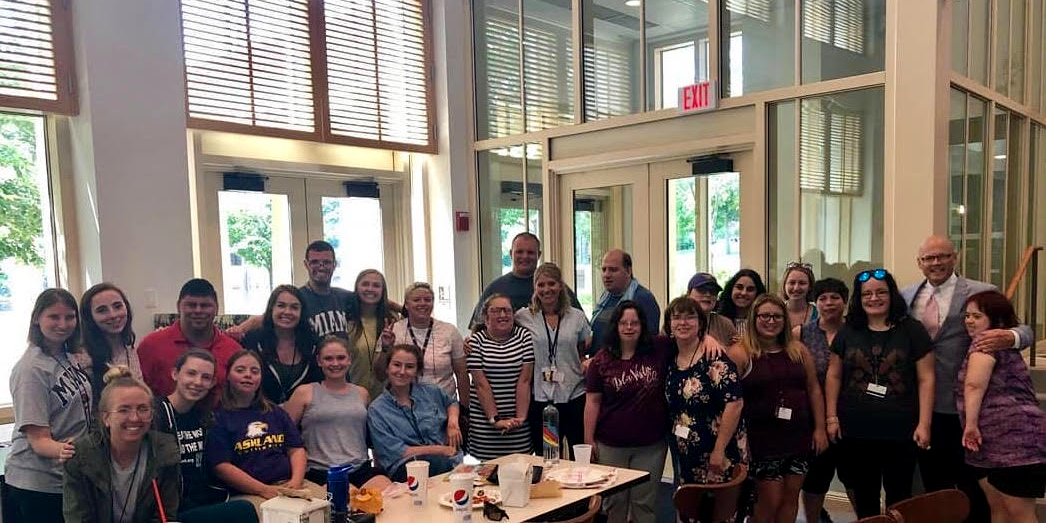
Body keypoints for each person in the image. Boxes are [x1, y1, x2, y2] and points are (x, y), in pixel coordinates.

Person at [901, 235, 1033, 521]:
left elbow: (1025, 330)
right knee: (934, 485)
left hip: (969, 408)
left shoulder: (982, 291)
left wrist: (1009, 336)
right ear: (919, 263)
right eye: (929, 258)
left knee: (975, 486)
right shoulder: (906, 296)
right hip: (922, 406)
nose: (936, 263)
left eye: (942, 256)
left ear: (955, 257)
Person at [826, 269, 934, 518]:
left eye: (881, 292)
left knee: (899, 496)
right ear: (859, 298)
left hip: (902, 430)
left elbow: (927, 378)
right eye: (867, 294)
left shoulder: (912, 330)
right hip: (856, 430)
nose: (874, 298)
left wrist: (925, 424)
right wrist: (831, 417)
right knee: (865, 496)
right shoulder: (848, 330)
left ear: (892, 295)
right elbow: (834, 375)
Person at [957, 291, 1046, 523]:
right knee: (997, 508)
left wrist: (971, 425)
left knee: (1020, 513)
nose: (969, 320)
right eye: (967, 315)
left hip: (1015, 443)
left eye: (977, 316)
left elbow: (974, 385)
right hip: (989, 443)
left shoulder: (986, 342)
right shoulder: (989, 341)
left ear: (997, 320)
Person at [6, 289, 91, 523]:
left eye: (70, 317)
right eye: (54, 317)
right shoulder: (30, 370)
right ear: (37, 318)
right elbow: (38, 440)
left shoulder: (67, 356)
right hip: (37, 484)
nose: (63, 324)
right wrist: (69, 450)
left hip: (68, 477)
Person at [741, 294, 827, 523]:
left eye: (777, 316)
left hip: (798, 437)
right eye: (765, 316)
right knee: (769, 502)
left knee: (790, 499)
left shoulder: (798, 350)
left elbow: (814, 390)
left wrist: (820, 429)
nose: (771, 321)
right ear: (754, 319)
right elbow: (730, 400)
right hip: (761, 441)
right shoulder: (741, 353)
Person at [584, 301, 671, 523]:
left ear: (642, 326)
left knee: (645, 504)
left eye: (634, 323)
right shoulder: (601, 361)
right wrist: (589, 438)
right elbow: (592, 402)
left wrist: (708, 338)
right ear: (616, 326)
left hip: (651, 445)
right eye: (624, 323)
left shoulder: (658, 349)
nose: (629, 327)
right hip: (611, 445)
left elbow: (687, 338)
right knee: (615, 503)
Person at [206, 350, 325, 511]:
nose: (248, 375)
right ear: (228, 376)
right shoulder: (218, 418)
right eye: (240, 370)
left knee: (327, 507)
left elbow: (296, 449)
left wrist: (296, 482)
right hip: (247, 492)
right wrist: (263, 490)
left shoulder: (275, 412)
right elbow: (222, 467)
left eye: (255, 371)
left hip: (289, 484)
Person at [664, 297, 746, 523]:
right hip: (687, 452)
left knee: (719, 515)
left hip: (718, 452)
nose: (683, 322)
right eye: (677, 317)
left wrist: (719, 450)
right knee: (692, 511)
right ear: (669, 324)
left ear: (700, 323)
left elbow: (735, 403)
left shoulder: (715, 358)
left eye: (690, 317)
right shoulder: (671, 358)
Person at [62, 366, 180, 523]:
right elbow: (78, 518)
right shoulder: (80, 456)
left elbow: (165, 515)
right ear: (106, 418)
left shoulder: (166, 452)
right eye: (124, 410)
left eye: (143, 409)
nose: (135, 418)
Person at [153, 349, 258, 523]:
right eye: (191, 374)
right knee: (244, 510)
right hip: (169, 510)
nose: (197, 382)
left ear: (212, 383)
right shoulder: (156, 414)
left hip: (201, 500)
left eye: (206, 377)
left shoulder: (205, 417)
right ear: (175, 373)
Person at [283, 337, 392, 490]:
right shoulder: (304, 393)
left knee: (391, 496)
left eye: (341, 358)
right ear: (319, 361)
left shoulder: (362, 393)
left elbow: (372, 438)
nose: (335, 364)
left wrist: (381, 467)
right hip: (321, 472)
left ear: (349, 360)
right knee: (350, 503)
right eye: (328, 359)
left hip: (360, 468)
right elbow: (285, 434)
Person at [514, 263, 591, 458]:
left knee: (578, 455)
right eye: (541, 285)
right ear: (535, 288)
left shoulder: (577, 317)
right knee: (548, 457)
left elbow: (583, 349)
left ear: (560, 286)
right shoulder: (523, 317)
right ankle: (550, 489)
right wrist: (471, 340)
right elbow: (496, 327)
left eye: (551, 283)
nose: (546, 289)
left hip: (574, 396)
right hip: (542, 399)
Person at [792, 278, 851, 523]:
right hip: (813, 419)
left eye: (835, 297)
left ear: (845, 301)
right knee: (816, 479)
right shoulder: (802, 333)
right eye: (823, 298)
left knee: (855, 477)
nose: (829, 303)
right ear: (815, 302)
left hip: (850, 417)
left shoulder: (856, 331)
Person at [228, 240, 358, 341]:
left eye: (326, 262)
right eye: (315, 262)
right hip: (310, 368)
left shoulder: (345, 297)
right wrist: (239, 329)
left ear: (334, 264)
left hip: (342, 369)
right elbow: (265, 318)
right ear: (306, 264)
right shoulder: (296, 297)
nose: (321, 266)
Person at [368, 344, 464, 480]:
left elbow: (451, 403)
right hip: (405, 468)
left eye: (409, 367)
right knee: (440, 464)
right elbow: (398, 452)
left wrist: (452, 424)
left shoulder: (431, 392)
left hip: (448, 460)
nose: (402, 371)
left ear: (417, 371)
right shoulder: (377, 410)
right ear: (387, 368)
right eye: (396, 365)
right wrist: (439, 450)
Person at [138, 279, 242, 398]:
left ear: (216, 308)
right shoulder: (151, 346)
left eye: (205, 306)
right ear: (178, 307)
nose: (198, 310)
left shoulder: (233, 350)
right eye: (191, 305)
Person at [466, 294, 534, 460]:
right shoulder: (475, 342)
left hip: (518, 426)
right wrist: (495, 420)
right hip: (485, 426)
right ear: (486, 317)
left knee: (520, 472)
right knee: (486, 480)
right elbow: (481, 385)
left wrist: (520, 418)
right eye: (496, 311)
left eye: (507, 310)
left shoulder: (524, 337)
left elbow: (525, 380)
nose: (503, 315)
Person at [470, 233, 582, 326]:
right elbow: (476, 328)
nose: (525, 256)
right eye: (519, 252)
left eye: (530, 252)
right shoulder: (495, 289)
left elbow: (580, 327)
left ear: (539, 255)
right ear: (511, 254)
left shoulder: (555, 288)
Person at [387, 281, 468, 403]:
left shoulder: (449, 331)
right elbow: (380, 372)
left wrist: (464, 408)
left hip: (443, 405)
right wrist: (385, 348)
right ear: (407, 304)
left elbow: (462, 373)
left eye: (427, 300)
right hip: (403, 406)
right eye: (417, 300)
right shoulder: (393, 330)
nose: (422, 303)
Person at [241, 285, 321, 404]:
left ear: (302, 312)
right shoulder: (252, 341)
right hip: (258, 416)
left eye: (294, 307)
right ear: (271, 309)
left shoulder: (313, 345)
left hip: (303, 418)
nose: (287, 312)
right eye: (281, 306)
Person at [79, 283, 142, 405]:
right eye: (102, 310)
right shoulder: (82, 357)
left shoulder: (129, 348)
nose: (113, 315)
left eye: (118, 306)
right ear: (90, 317)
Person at [589, 249, 660, 354]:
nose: (606, 275)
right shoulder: (605, 298)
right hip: (599, 364)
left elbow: (647, 342)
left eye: (613, 270)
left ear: (628, 271)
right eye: (604, 270)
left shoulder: (643, 299)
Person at [347, 269, 399, 399]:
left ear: (383, 291)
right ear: (356, 288)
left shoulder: (393, 320)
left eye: (376, 285)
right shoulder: (346, 320)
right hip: (352, 396)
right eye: (365, 284)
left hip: (386, 397)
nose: (370, 289)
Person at [686, 272, 737, 347]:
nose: (708, 294)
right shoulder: (676, 321)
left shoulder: (725, 324)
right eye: (702, 290)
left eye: (713, 291)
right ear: (688, 294)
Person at [717, 269, 767, 336]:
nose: (744, 293)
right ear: (731, 289)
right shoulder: (717, 321)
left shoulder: (765, 322)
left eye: (750, 289)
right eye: (739, 287)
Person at [782, 262, 817, 328]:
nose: (796, 288)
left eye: (802, 283)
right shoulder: (775, 311)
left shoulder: (819, 314)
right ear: (784, 285)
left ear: (810, 286)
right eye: (792, 283)